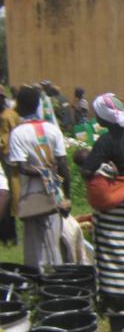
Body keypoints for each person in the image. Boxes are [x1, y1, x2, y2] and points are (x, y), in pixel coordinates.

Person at [78, 93, 124, 298]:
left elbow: (87, 170)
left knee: (110, 250)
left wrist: (96, 171)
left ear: (104, 118)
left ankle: (113, 297)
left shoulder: (106, 142)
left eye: (97, 114)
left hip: (112, 204)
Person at [8, 85, 71, 267]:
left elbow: (22, 167)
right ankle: (57, 277)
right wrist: (67, 198)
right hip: (55, 192)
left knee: (35, 248)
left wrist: (42, 172)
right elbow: (63, 166)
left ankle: (38, 279)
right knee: (54, 242)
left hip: (32, 196)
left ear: (20, 106)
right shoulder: (52, 129)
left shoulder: (18, 133)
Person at [0, 91, 20, 246]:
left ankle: (9, 236)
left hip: (8, 163)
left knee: (8, 199)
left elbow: (5, 141)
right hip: (13, 161)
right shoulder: (11, 114)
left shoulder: (5, 116)